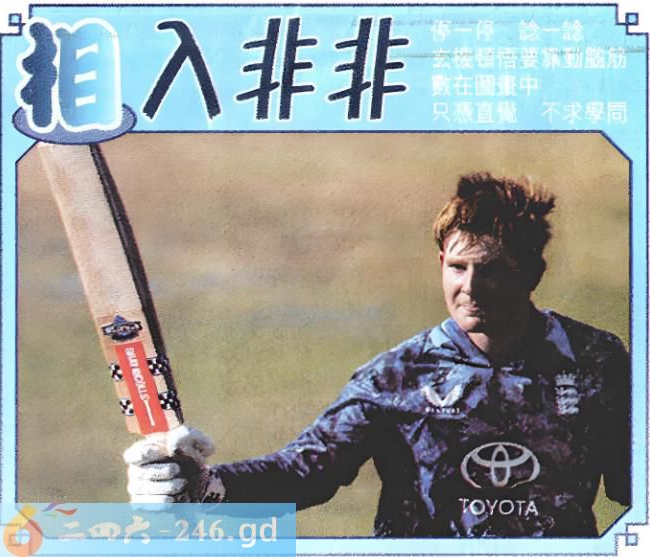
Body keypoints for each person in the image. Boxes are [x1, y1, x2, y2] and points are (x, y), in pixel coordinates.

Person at [125, 172, 631, 537]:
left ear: (532, 273)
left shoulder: (597, 362)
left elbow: (637, 488)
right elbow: (308, 469)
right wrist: (211, 487)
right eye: (457, 268)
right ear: (440, 262)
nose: (470, 287)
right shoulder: (398, 377)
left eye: (492, 270)